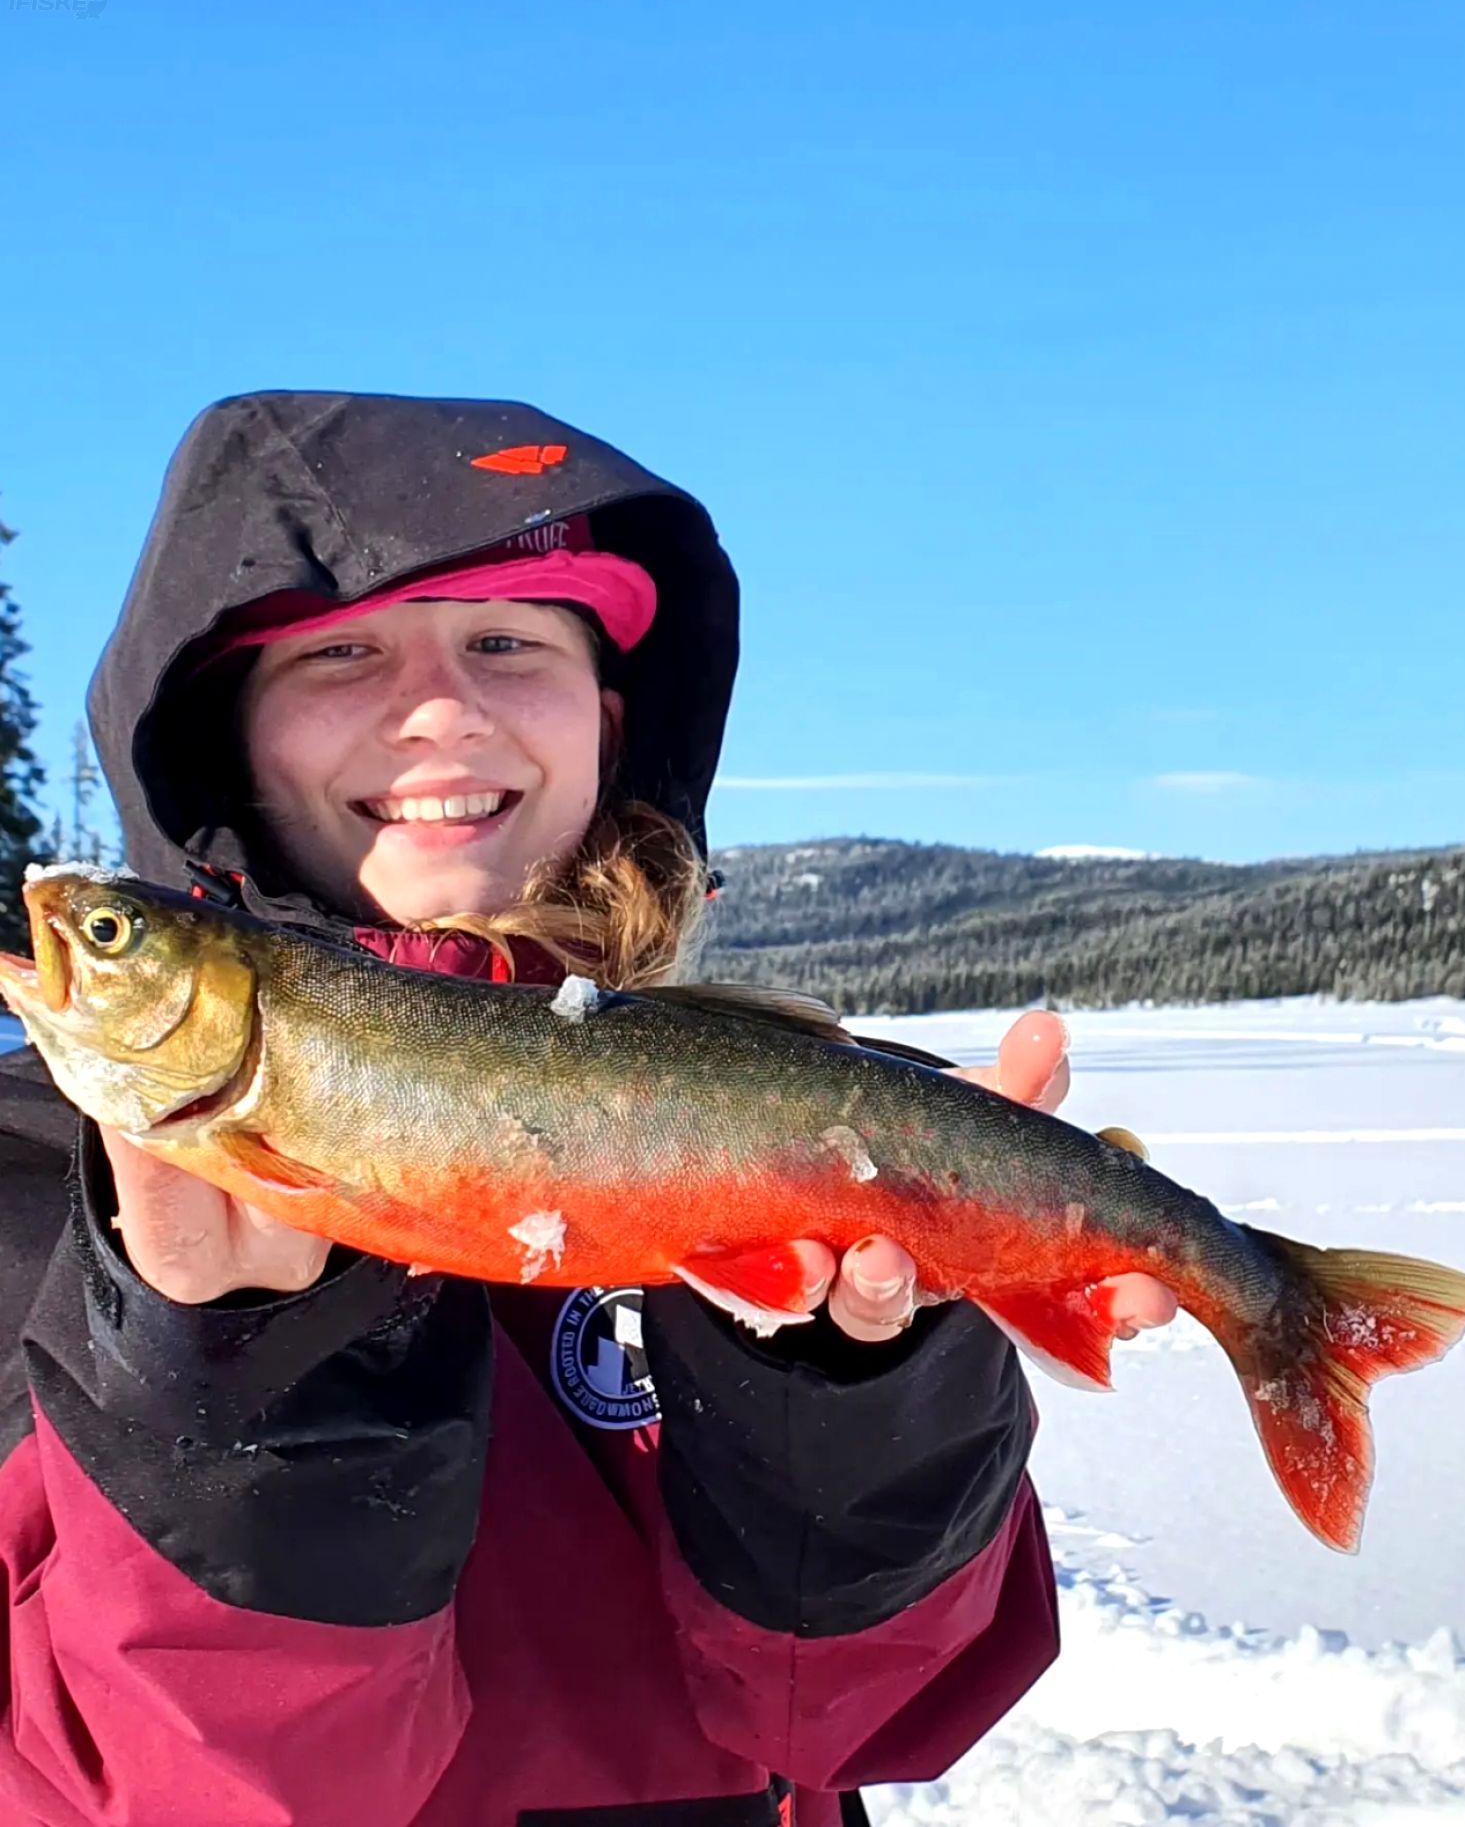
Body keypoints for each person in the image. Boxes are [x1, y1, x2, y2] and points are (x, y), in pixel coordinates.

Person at [0, 391, 1175, 1826]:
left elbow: (875, 1714)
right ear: (219, 744)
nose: (443, 710)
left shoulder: (795, 1112)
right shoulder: (27, 1187)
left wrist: (860, 1389)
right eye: (340, 652)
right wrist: (215, 1385)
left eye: (509, 643)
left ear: (610, 726)